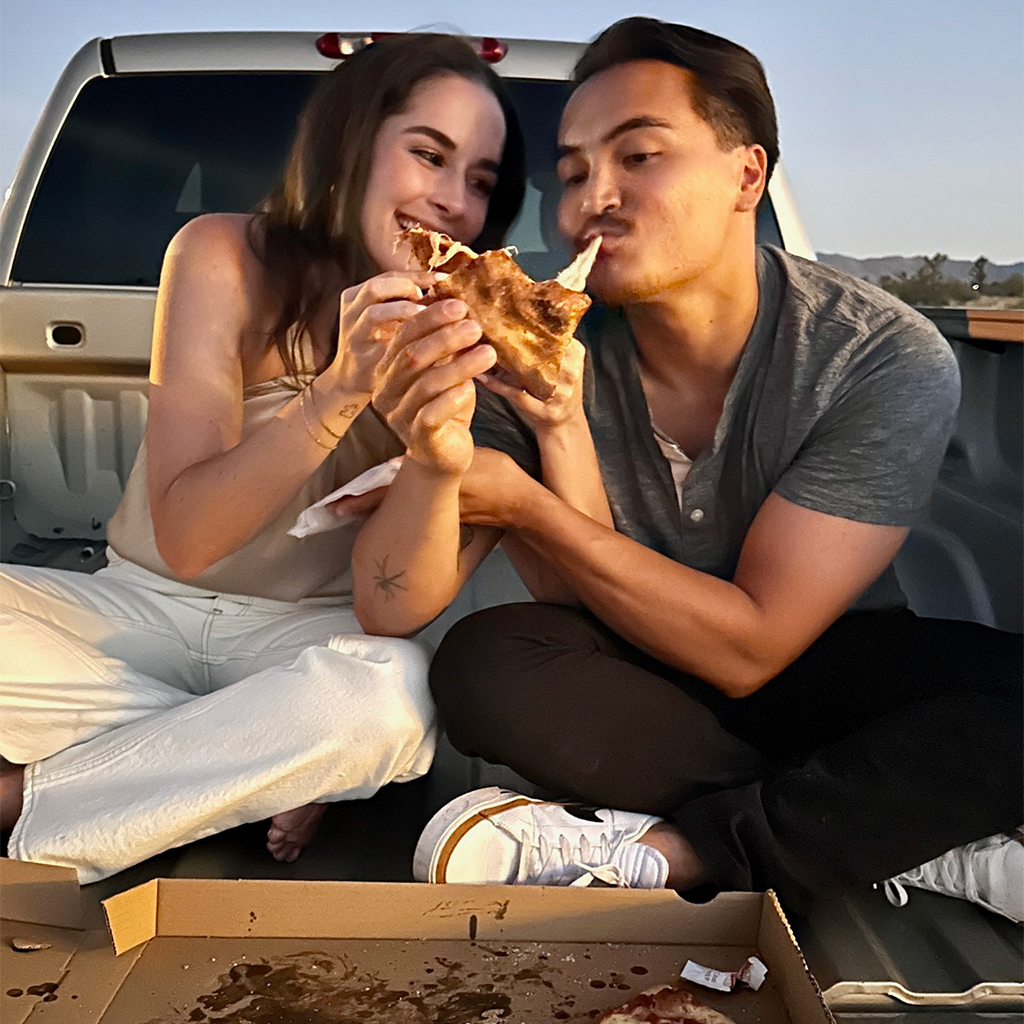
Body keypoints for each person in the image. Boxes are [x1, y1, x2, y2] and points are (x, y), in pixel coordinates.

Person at [348, 18, 1023, 920]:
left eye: (639, 157)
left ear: (748, 175)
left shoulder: (874, 354)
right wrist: (466, 449)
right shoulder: (532, 347)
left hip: (824, 662)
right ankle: (892, 833)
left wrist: (529, 507)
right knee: (485, 664)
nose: (594, 197)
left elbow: (752, 650)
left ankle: (677, 851)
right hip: (643, 677)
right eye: (576, 171)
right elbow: (403, 603)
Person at [0, 33, 526, 885]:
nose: (453, 203)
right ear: (353, 148)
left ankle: (28, 797)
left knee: (390, 698)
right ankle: (255, 760)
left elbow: (391, 616)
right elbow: (189, 540)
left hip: (309, 638)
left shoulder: (477, 348)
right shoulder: (221, 255)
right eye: (428, 155)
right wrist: (338, 390)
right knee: (321, 730)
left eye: (481, 183)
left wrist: (433, 457)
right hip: (136, 612)